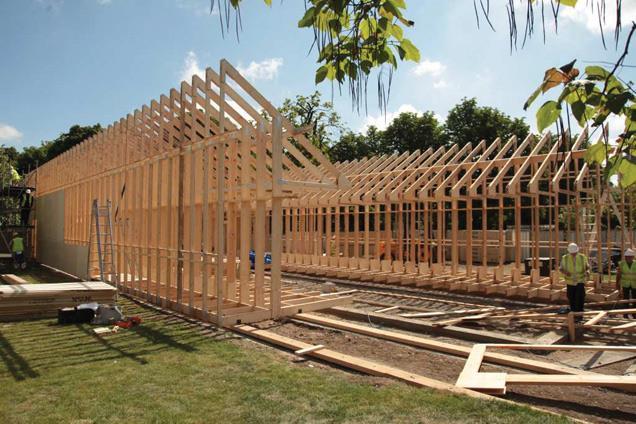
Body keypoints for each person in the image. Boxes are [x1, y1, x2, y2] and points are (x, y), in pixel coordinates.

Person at [560, 243, 589, 317]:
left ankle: (580, 312)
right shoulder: (565, 258)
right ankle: (573, 311)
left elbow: (587, 267)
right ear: (569, 252)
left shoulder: (582, 257)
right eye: (572, 253)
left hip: (580, 280)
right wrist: (565, 272)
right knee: (571, 296)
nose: (573, 254)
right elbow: (561, 269)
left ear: (577, 251)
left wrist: (587, 271)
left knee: (580, 296)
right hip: (570, 282)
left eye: (575, 253)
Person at [617, 248, 636, 319]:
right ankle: (625, 314)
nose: (628, 258)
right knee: (625, 300)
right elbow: (618, 275)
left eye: (630, 256)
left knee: (635, 300)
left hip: (634, 285)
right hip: (625, 284)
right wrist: (617, 285)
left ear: (633, 257)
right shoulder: (621, 264)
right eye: (626, 257)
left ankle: (634, 314)